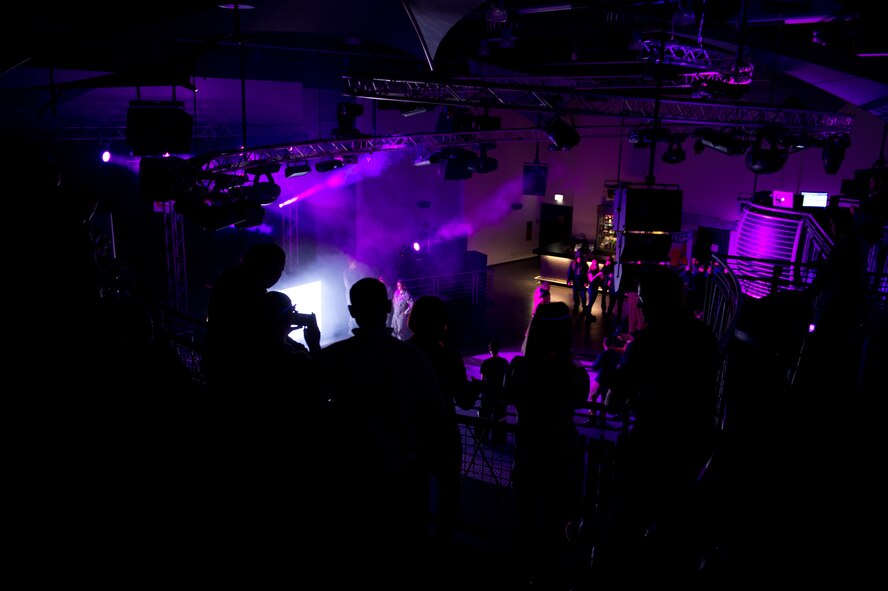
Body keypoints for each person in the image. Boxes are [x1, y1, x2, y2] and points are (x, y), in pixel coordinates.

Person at [317, 277, 452, 587]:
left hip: (349, 473)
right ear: (389, 308)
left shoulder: (335, 356)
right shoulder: (412, 357)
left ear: (352, 311)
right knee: (400, 550)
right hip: (402, 471)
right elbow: (436, 412)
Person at [603, 264, 720, 584]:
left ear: (655, 302)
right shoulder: (703, 335)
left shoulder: (647, 343)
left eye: (642, 301)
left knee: (625, 517)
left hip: (653, 446)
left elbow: (614, 399)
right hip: (694, 444)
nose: (640, 308)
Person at [505, 301, 591, 588]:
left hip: (528, 450)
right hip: (562, 453)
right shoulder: (575, 375)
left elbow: (510, 396)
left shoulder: (519, 368)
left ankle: (522, 573)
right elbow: (579, 401)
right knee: (555, 520)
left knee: (525, 517)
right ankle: (548, 578)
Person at [407, 295, 477, 551]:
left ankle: (416, 542)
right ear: (440, 323)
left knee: (416, 493)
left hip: (413, 432)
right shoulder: (448, 356)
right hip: (443, 433)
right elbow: (465, 401)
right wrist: (476, 388)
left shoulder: (403, 353)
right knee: (448, 494)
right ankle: (443, 547)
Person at [203, 242, 287, 392]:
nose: (278, 276)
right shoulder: (251, 291)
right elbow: (256, 337)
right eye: (277, 270)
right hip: (237, 371)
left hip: (217, 362)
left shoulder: (230, 277)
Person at [477, 339, 510, 444]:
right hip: (500, 395)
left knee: (485, 418)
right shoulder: (505, 362)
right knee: (499, 418)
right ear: (499, 349)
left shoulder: (485, 363)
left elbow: (483, 381)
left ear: (489, 349)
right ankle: (498, 439)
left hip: (488, 395)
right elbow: (507, 380)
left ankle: (483, 437)